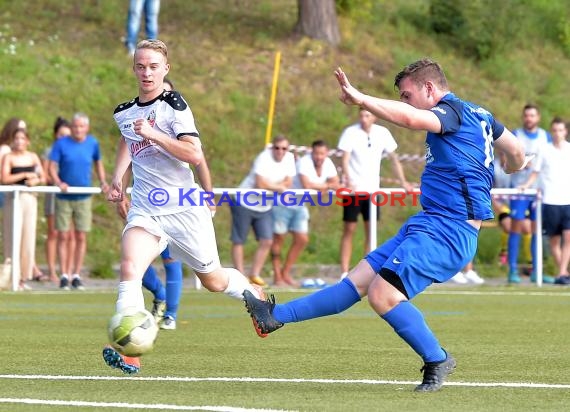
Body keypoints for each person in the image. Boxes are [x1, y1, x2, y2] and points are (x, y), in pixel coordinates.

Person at [243, 58, 528, 392]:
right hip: (428, 223)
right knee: (356, 282)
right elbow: (517, 151)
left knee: (382, 295)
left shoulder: (449, 112)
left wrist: (361, 99)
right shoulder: (481, 115)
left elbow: (409, 118)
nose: (405, 101)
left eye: (407, 94)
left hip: (449, 231)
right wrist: (510, 164)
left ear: (429, 89)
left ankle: (437, 359)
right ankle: (275, 317)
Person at [103, 39, 264, 374]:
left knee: (214, 281)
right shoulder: (124, 112)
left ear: (165, 69)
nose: (146, 72)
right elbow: (127, 140)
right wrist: (118, 177)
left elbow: (194, 154)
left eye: (153, 66)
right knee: (130, 267)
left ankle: (254, 292)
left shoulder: (174, 106)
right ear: (134, 68)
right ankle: (128, 350)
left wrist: (154, 134)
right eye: (140, 66)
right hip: (146, 208)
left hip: (183, 208)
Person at [116, 76, 186, 330]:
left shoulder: (177, 129)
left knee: (175, 261)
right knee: (133, 262)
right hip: (145, 205)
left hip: (176, 207)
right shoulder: (137, 125)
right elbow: (125, 154)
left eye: (166, 95)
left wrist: (208, 195)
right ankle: (157, 298)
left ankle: (171, 314)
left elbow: (199, 161)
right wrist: (120, 190)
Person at [337, 108, 413, 279]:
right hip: (354, 191)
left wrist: (403, 182)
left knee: (370, 229)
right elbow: (345, 158)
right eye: (362, 115)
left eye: (368, 115)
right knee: (349, 228)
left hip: (373, 190)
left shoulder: (382, 133)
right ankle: (344, 271)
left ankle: (366, 271)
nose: (364, 119)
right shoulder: (351, 132)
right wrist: (348, 180)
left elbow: (394, 159)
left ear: (375, 117)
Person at [48, 112, 109, 290]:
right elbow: (51, 167)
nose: (78, 130)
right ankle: (64, 275)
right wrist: (59, 182)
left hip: (83, 196)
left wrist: (103, 181)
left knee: (81, 235)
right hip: (64, 196)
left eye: (81, 126)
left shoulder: (92, 143)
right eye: (75, 126)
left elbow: (98, 162)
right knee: (63, 235)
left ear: (87, 128)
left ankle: (76, 274)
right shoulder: (61, 143)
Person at [271, 139, 340, 286]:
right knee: (279, 239)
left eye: (322, 153)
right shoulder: (304, 162)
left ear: (326, 153)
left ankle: (285, 273)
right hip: (283, 202)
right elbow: (307, 185)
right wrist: (328, 186)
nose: (319, 157)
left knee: (302, 239)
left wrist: (325, 186)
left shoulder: (328, 163)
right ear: (312, 152)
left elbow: (337, 183)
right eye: (316, 153)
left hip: (300, 203)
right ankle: (277, 276)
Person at [231, 135, 296, 287]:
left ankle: (254, 274)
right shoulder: (263, 158)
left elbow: (288, 181)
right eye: (277, 148)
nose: (280, 151)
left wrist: (272, 185)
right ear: (272, 147)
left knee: (267, 240)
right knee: (239, 240)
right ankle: (240, 276)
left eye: (284, 148)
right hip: (244, 201)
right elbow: (259, 183)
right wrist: (277, 187)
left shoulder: (290, 158)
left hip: (264, 205)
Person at [519, 117, 570, 284]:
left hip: (567, 200)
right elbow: (535, 172)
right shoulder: (544, 150)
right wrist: (526, 185)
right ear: (551, 132)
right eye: (554, 130)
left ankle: (562, 272)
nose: (557, 134)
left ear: (565, 132)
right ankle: (563, 273)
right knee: (554, 241)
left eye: (560, 130)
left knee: (568, 238)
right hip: (550, 200)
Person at [507, 104, 554, 284]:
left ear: (538, 117)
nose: (529, 118)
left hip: (538, 190)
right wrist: (518, 161)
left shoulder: (545, 138)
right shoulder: (516, 135)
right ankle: (512, 270)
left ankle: (537, 270)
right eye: (526, 115)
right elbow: (506, 158)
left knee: (537, 230)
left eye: (532, 115)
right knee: (516, 227)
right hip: (520, 189)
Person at [0, 128, 46, 290]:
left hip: (30, 199)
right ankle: (12, 276)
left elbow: (43, 176)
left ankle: (23, 277)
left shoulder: (33, 157)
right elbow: (4, 178)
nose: (19, 141)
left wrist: (36, 180)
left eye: (22, 138)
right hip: (14, 200)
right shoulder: (8, 157)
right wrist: (24, 175)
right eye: (16, 138)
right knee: (13, 237)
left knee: (28, 237)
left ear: (27, 141)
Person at [42, 117, 75, 283]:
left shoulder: (72, 149)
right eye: (61, 135)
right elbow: (46, 173)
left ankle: (67, 271)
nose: (64, 138)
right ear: (55, 135)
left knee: (68, 234)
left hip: (69, 195)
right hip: (54, 194)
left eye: (67, 135)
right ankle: (52, 271)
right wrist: (58, 181)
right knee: (53, 233)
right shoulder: (50, 151)